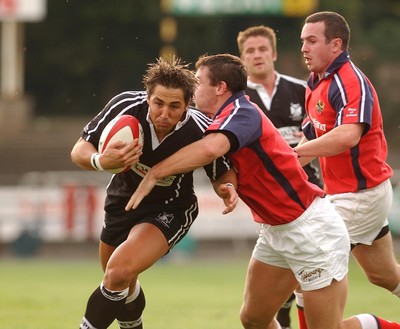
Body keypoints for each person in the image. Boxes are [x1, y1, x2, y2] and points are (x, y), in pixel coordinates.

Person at [126, 53, 400, 329]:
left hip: (311, 230)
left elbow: (210, 149)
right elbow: (221, 159)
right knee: (254, 319)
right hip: (276, 231)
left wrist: (156, 172)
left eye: (198, 82)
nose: (193, 89)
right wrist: (229, 184)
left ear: (220, 87)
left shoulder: (243, 112)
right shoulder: (220, 118)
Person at [70, 56, 238, 329]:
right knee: (122, 282)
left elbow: (222, 171)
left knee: (118, 272)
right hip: (122, 203)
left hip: (170, 209)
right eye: (158, 103)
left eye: (174, 106)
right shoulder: (126, 107)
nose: (164, 113)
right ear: (147, 97)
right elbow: (79, 150)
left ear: (187, 105)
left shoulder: (200, 128)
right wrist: (100, 161)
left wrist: (227, 188)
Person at [294, 11, 400, 328]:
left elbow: (347, 136)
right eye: (302, 41)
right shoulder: (315, 83)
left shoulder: (350, 81)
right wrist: (279, 170)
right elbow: (309, 138)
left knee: (306, 265)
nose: (304, 48)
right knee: (385, 275)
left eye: (312, 40)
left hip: (360, 197)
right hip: (352, 197)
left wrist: (294, 152)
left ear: (335, 44)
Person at [237, 25, 324, 329]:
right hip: (268, 202)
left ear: (273, 53)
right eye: (250, 51)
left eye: (262, 49)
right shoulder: (238, 100)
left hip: (308, 196)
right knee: (280, 285)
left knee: (305, 277)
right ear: (242, 58)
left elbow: (321, 136)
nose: (257, 55)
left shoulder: (301, 89)